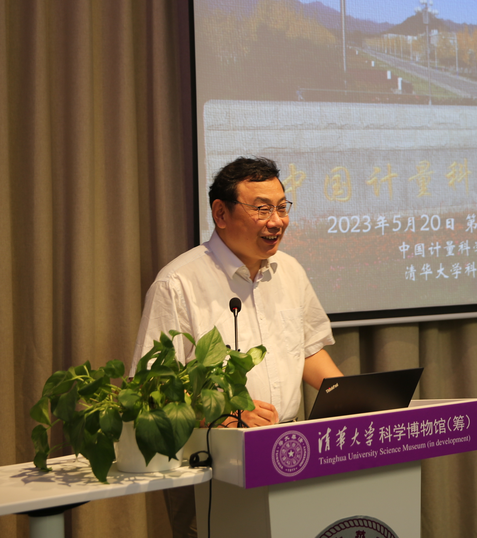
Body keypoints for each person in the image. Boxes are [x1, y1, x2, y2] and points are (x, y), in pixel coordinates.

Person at [129, 156, 343, 536]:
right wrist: (221, 414)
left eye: (281, 208)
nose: (277, 221)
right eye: (262, 209)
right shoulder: (178, 283)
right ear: (221, 213)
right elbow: (149, 389)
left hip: (290, 454)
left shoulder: (290, 271)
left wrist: (352, 400)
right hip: (214, 467)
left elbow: (308, 350)